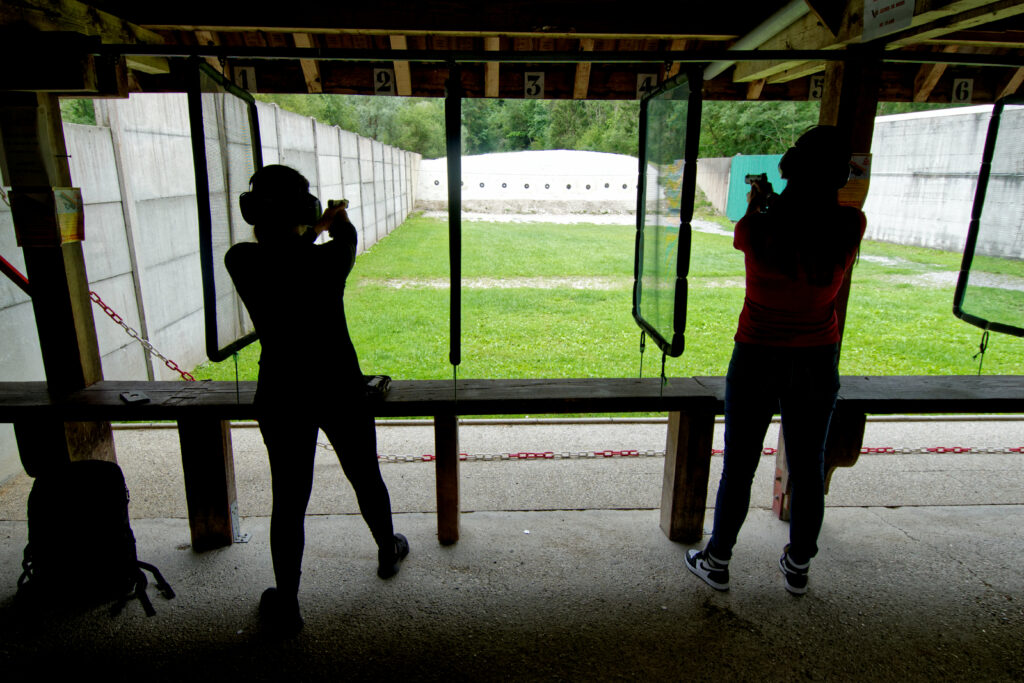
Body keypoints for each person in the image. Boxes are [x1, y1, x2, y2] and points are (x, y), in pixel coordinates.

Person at [225, 164, 408, 633]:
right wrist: (332, 222)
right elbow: (343, 239)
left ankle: (287, 602)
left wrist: (310, 229)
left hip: (282, 390)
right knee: (366, 475)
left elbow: (282, 255)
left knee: (289, 498)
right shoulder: (330, 259)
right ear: (306, 212)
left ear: (252, 214)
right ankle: (387, 550)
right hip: (339, 386)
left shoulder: (241, 260)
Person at [685, 126, 866, 596]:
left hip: (756, 356)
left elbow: (750, 234)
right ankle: (799, 564)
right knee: (809, 467)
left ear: (788, 169)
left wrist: (761, 201)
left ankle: (718, 559)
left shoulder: (757, 225)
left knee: (739, 464)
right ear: (838, 175)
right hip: (815, 359)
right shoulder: (851, 224)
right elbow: (817, 225)